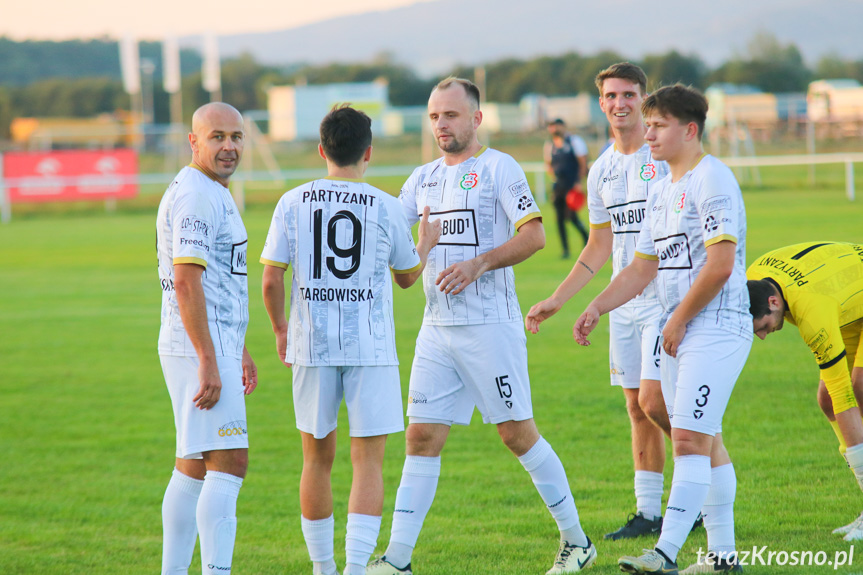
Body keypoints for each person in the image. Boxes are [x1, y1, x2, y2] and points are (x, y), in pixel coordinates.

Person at [367, 78, 596, 575]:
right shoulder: (422, 177)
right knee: (420, 438)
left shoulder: (499, 168)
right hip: (436, 328)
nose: (441, 125)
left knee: (517, 435)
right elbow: (387, 231)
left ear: (476, 119)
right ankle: (398, 560)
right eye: (433, 117)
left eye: (451, 115)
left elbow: (534, 235)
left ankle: (577, 542)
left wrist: (479, 264)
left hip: (490, 326)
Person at [573, 85, 751, 574]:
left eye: (658, 125)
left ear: (689, 130)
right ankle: (723, 558)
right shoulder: (663, 190)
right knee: (701, 438)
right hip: (681, 329)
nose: (648, 134)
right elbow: (639, 269)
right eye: (647, 125)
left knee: (690, 440)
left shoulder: (712, 179)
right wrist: (596, 308)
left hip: (714, 325)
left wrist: (675, 319)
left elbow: (719, 265)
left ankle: (666, 551)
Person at [260, 105, 441, 575]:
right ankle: (356, 567)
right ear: (369, 153)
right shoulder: (383, 205)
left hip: (311, 346)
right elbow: (406, 279)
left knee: (315, 460)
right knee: (368, 462)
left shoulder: (291, 201)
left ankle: (323, 568)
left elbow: (270, 280)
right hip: (371, 348)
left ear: (322, 150)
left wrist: (281, 328)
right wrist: (426, 243)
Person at [527, 63, 672, 541]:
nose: (620, 103)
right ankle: (650, 512)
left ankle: (701, 483)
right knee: (636, 407)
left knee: (656, 402)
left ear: (643, 99)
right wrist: (558, 298)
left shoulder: (665, 158)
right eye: (611, 96)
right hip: (622, 303)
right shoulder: (603, 169)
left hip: (666, 299)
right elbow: (598, 246)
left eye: (629, 94)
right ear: (602, 102)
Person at [156, 102, 258, 575]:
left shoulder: (211, 190)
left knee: (193, 465)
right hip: (198, 348)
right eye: (217, 137)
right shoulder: (198, 195)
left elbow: (216, 282)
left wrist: (237, 349)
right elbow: (186, 281)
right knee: (230, 460)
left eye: (236, 137)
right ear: (193, 142)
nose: (229, 147)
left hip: (206, 342)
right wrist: (209, 359)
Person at [747, 241, 863, 541]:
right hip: (849, 301)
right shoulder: (753, 278)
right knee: (826, 401)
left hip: (840, 297)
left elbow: (844, 396)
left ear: (774, 303)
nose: (762, 336)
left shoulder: (813, 312)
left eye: (763, 326)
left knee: (854, 391)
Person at [544, 118, 590, 258]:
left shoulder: (574, 141)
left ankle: (586, 237)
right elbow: (548, 164)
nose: (554, 129)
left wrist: (578, 182)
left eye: (556, 126)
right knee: (559, 219)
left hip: (572, 185)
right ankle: (565, 250)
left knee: (571, 216)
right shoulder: (549, 145)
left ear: (563, 127)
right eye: (551, 127)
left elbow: (583, 163)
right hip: (558, 186)